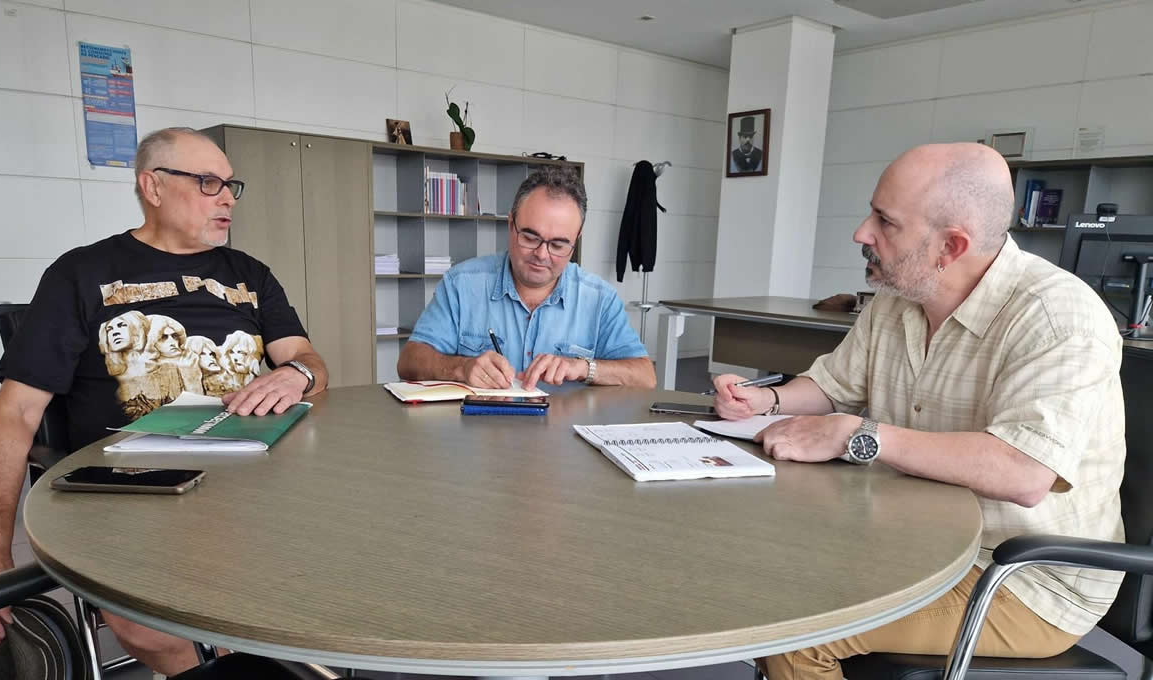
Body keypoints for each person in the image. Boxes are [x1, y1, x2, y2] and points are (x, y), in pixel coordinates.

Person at [712, 143, 1125, 679]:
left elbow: (1024, 472)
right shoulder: (898, 297)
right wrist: (763, 399)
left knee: (798, 634)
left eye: (885, 221)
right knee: (757, 561)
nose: (863, 232)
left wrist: (860, 435)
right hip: (915, 540)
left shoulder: (1057, 319)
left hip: (1020, 576)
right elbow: (835, 385)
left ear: (950, 246)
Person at [0, 127, 329, 676]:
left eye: (230, 185)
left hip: (256, 484)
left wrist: (295, 374)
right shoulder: (80, 275)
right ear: (152, 186)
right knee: (157, 622)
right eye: (207, 182)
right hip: (137, 491)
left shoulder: (252, 275)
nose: (227, 198)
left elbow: (309, 360)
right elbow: (14, 413)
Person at [397, 165, 655, 390]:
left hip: (563, 441)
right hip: (477, 438)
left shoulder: (599, 299)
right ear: (511, 225)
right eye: (530, 238)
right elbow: (409, 362)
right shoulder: (462, 285)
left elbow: (645, 376)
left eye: (558, 245)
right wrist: (460, 368)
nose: (541, 255)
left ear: (575, 241)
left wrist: (583, 368)